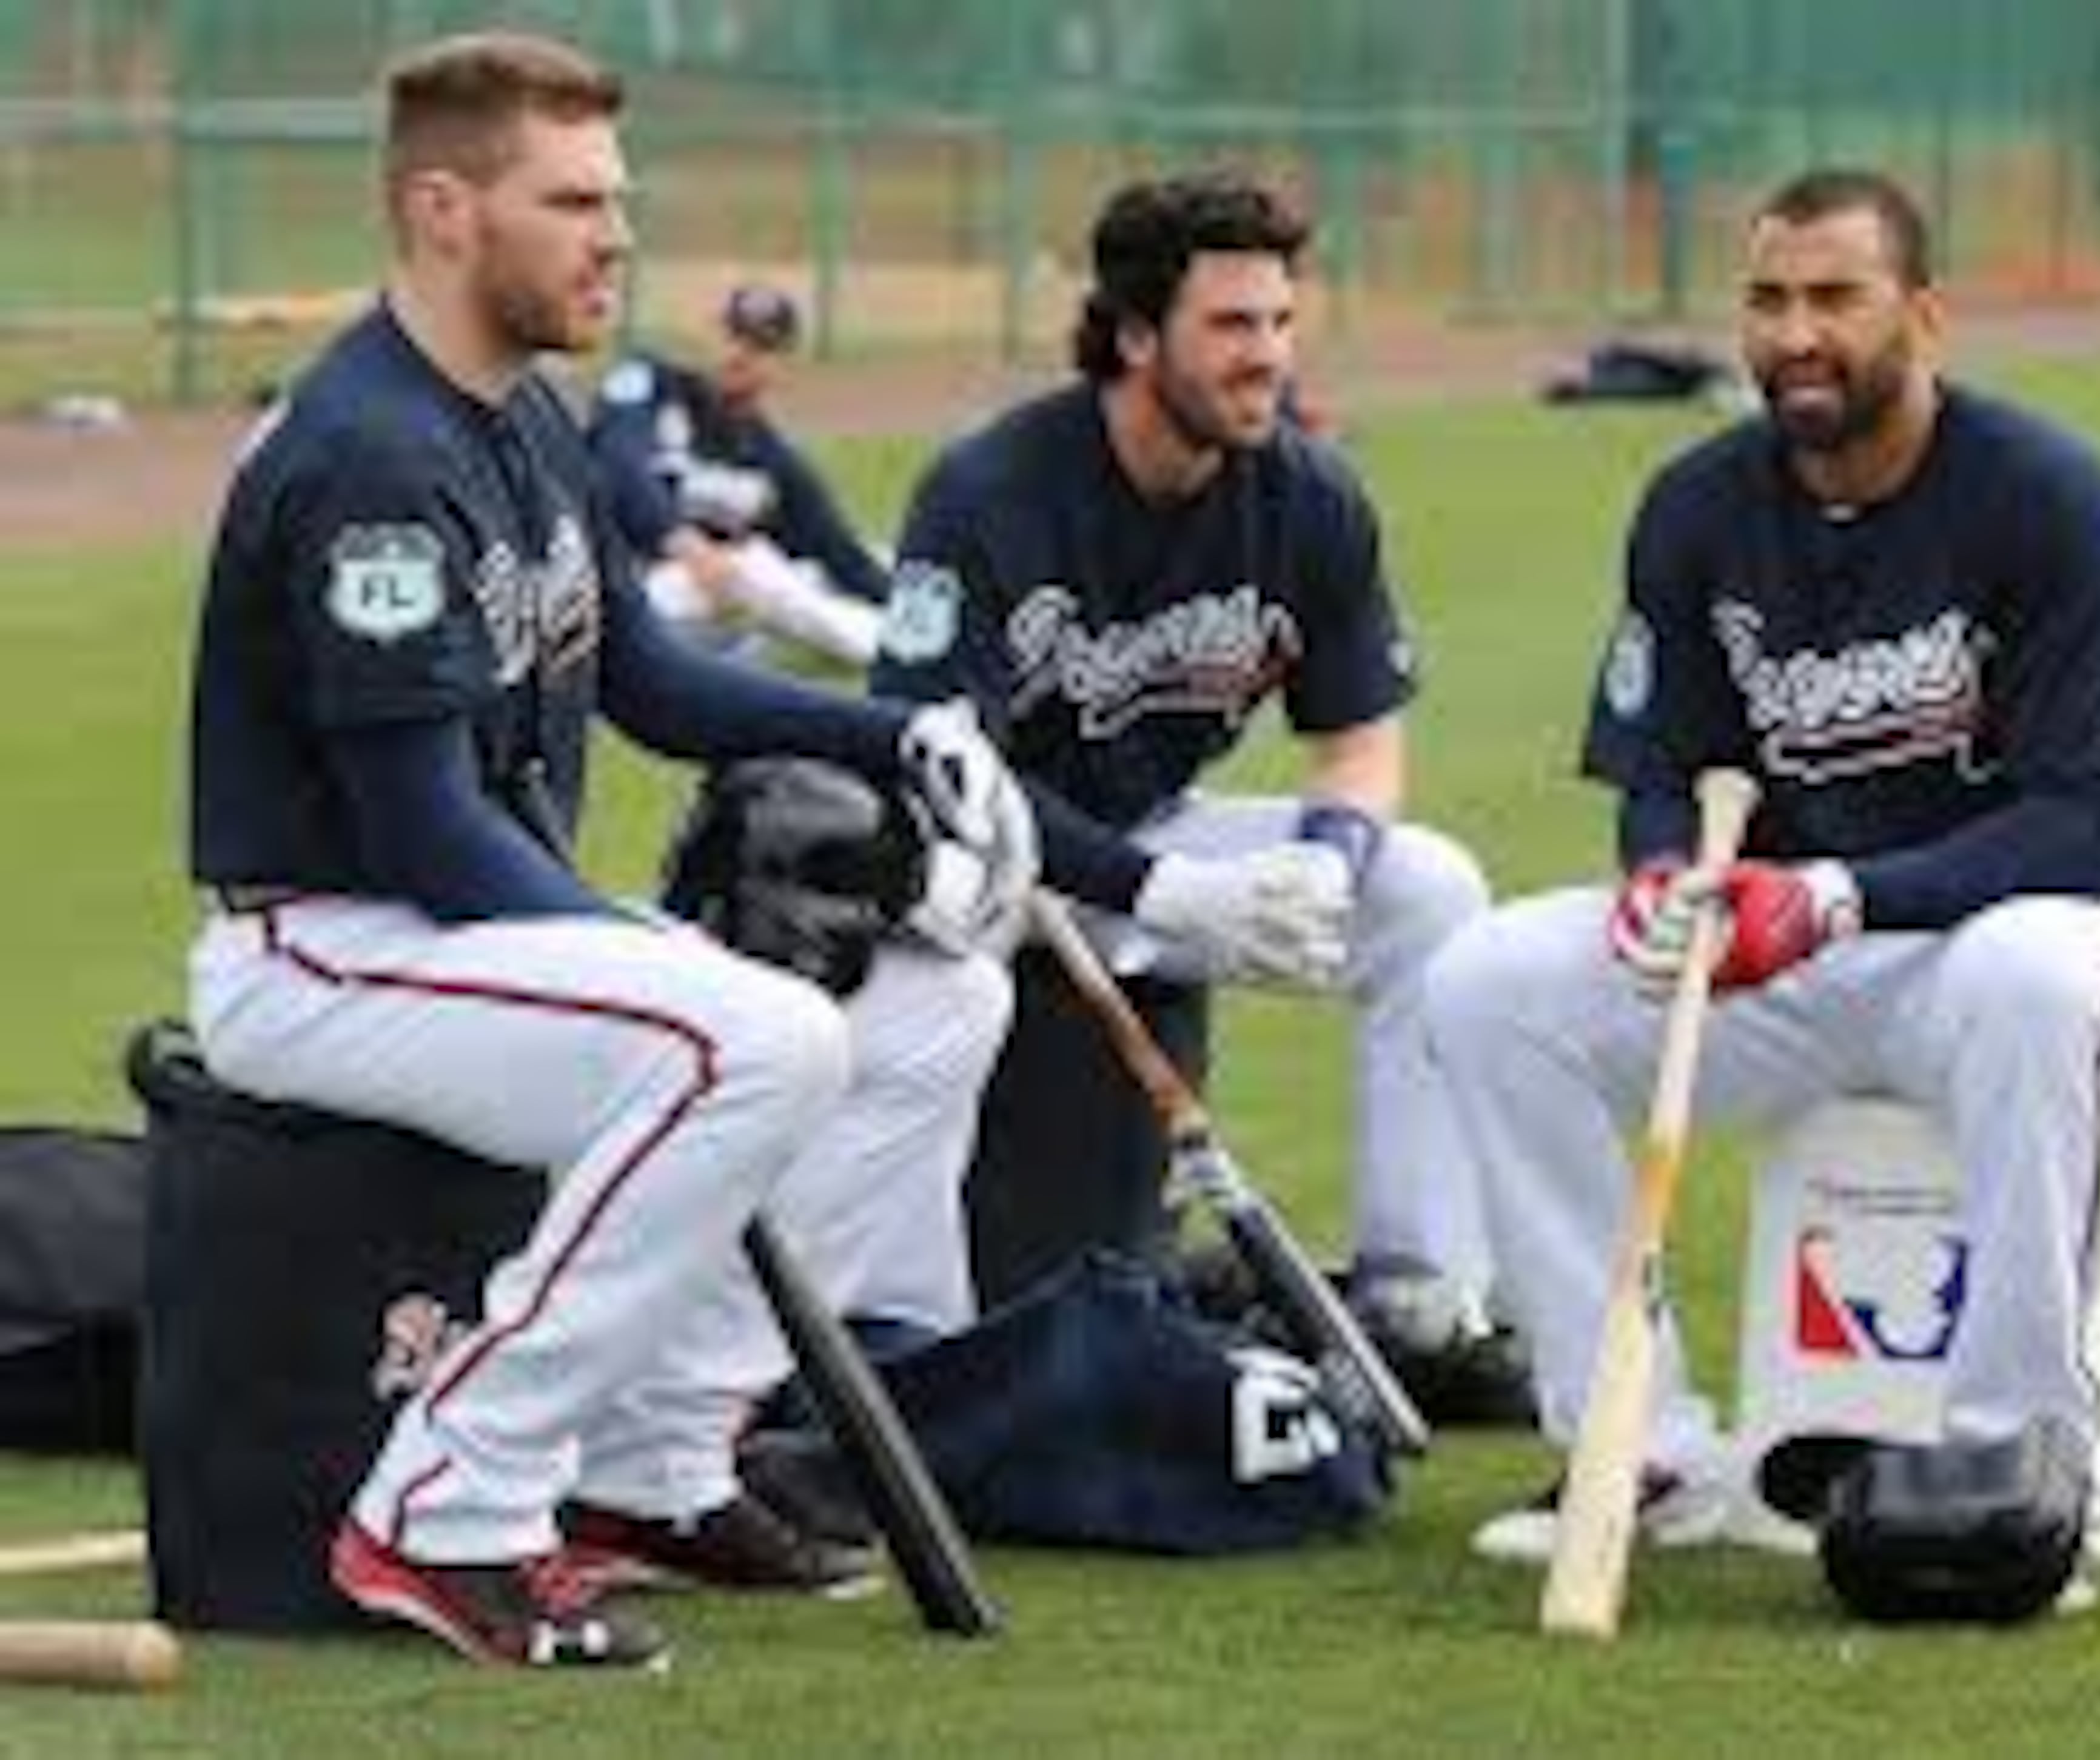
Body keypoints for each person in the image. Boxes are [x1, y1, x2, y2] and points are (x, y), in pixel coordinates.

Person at [183, 32, 1030, 1671]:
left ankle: (651, 1461)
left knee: (932, 1002)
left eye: (615, 199)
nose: (614, 236)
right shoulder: (370, 451)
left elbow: (647, 681)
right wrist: (662, 955)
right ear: (444, 210)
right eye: (571, 199)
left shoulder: (524, 418)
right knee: (754, 1028)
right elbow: (419, 828)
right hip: (324, 942)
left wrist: (903, 730)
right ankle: (449, 1502)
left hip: (452, 924)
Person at [1424, 167, 2100, 1569]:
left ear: (1923, 315)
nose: (1795, 333)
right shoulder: (1695, 507)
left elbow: (2091, 823)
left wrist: (1837, 895)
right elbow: (1662, 767)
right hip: (1789, 957)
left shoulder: (2048, 499)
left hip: (2039, 956)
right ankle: (1636, 1451)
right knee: (1487, 983)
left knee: (2029, 974)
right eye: (1768, 300)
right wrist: (1662, 879)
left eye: (1834, 297)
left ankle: (2027, 1465)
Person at [869, 169, 1518, 1402]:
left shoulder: (1308, 494)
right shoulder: (992, 492)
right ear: (1132, 335)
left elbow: (1363, 737)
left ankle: (1418, 1297)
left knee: (1431, 889)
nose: (1267, 356)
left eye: (1279, 322)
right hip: (982, 870)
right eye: (1231, 327)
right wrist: (1164, 890)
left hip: (1144, 840)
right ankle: (906, 1333)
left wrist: (1332, 855)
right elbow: (940, 768)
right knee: (943, 980)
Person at [588, 278, 889, 666]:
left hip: (702, 605)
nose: (741, 354)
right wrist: (686, 544)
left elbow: (843, 556)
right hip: (618, 588)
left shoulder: (772, 459)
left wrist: (897, 600)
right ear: (710, 334)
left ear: (782, 364)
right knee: (754, 564)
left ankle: (932, 633)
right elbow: (619, 467)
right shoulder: (646, 386)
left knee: (876, 556)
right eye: (734, 335)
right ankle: (898, 652)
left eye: (762, 346)